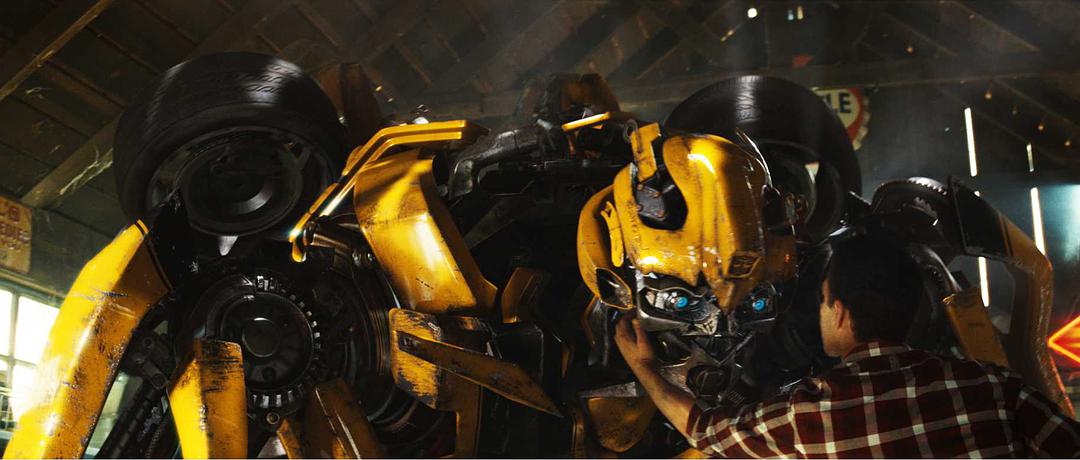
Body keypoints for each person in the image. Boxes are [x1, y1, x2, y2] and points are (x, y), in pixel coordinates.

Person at [615, 233, 1080, 457]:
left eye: (822, 301)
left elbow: (703, 429)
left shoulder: (809, 414)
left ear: (838, 311)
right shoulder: (992, 387)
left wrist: (645, 367)